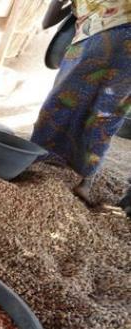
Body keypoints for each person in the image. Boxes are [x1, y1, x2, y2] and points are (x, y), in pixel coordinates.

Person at [32, 0, 131, 205]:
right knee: (107, 114)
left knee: (60, 101)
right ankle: (85, 182)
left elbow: (47, 22)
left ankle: (38, 159)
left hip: (96, 37)